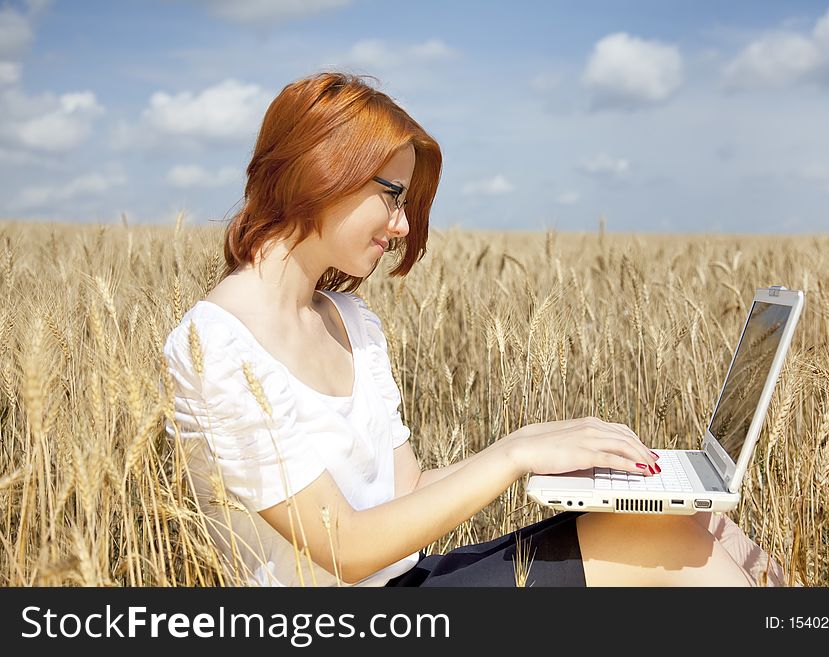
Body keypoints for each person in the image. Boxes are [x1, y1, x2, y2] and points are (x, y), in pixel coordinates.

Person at [162, 71, 786, 587]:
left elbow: (404, 491)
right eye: (392, 195)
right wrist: (514, 454)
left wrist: (560, 466)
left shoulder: (352, 321)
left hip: (411, 581)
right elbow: (344, 548)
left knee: (705, 524)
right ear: (323, 170)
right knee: (681, 552)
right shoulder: (217, 346)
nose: (403, 226)